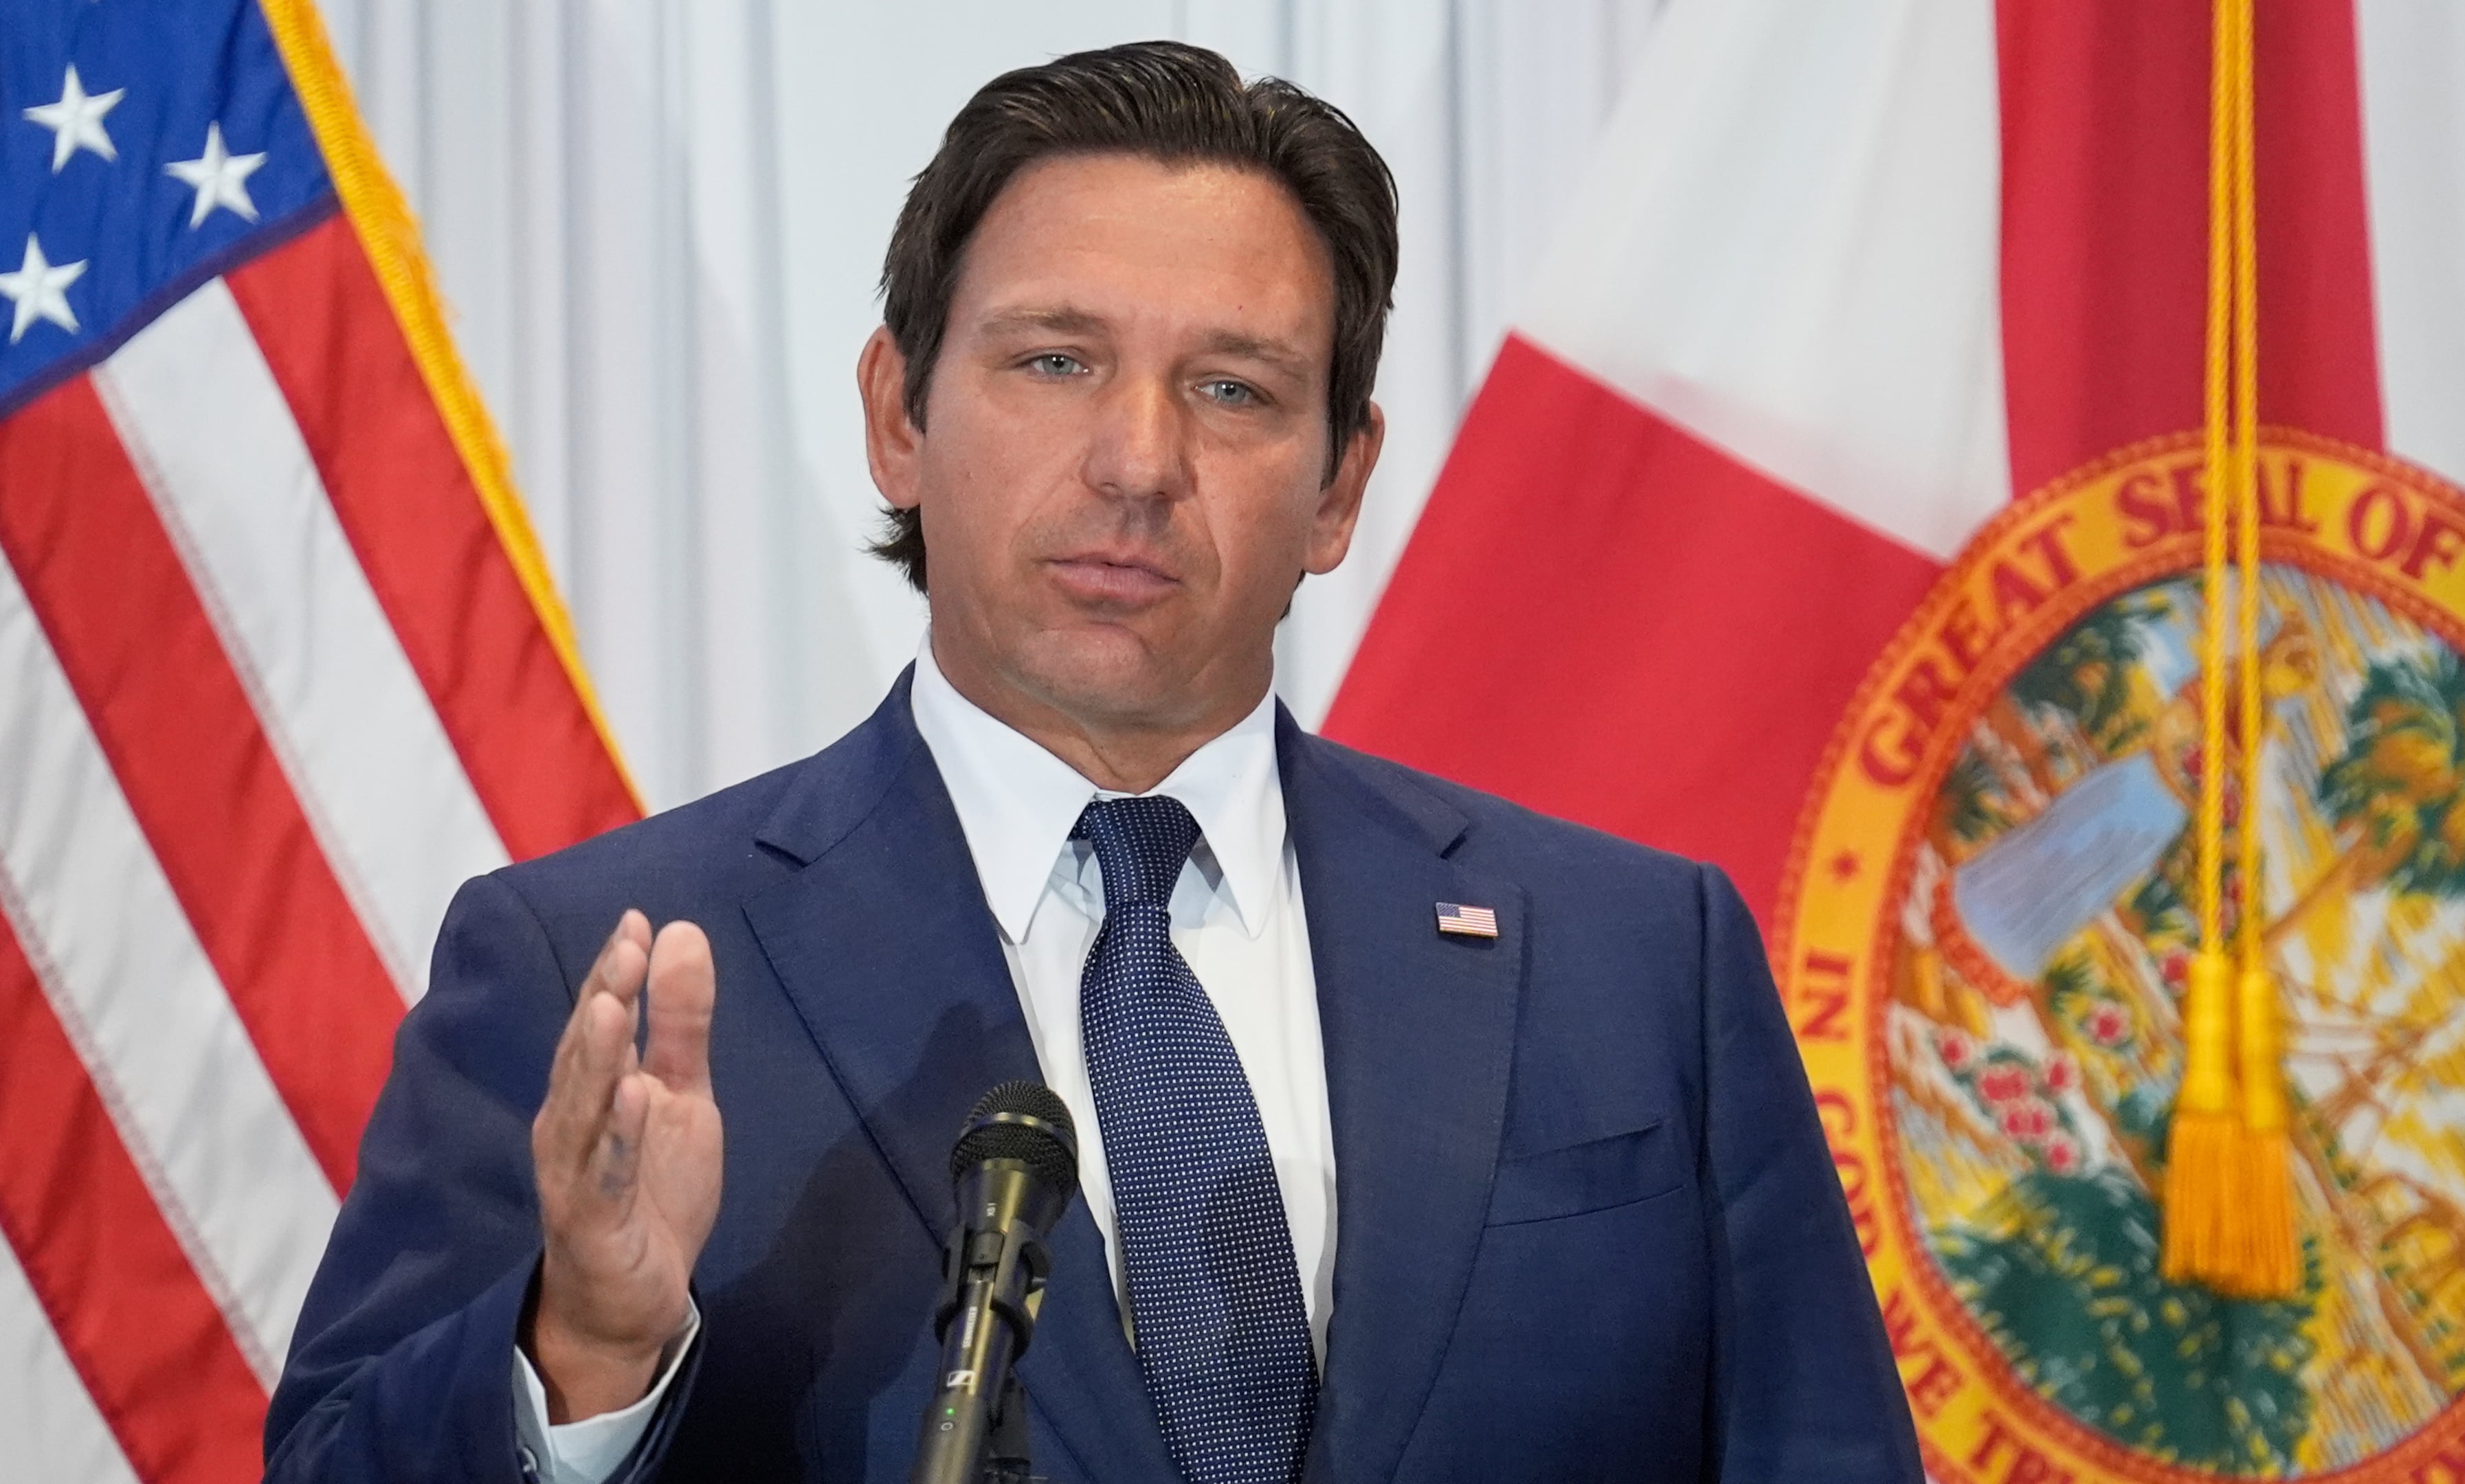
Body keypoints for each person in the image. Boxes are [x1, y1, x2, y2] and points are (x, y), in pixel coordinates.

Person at [263, 40, 1918, 1484]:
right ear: (899, 416)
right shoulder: (594, 972)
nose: (1139, 461)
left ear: (1339, 485)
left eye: (1234, 388)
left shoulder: (1637, 962)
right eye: (1054, 362)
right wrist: (587, 1353)